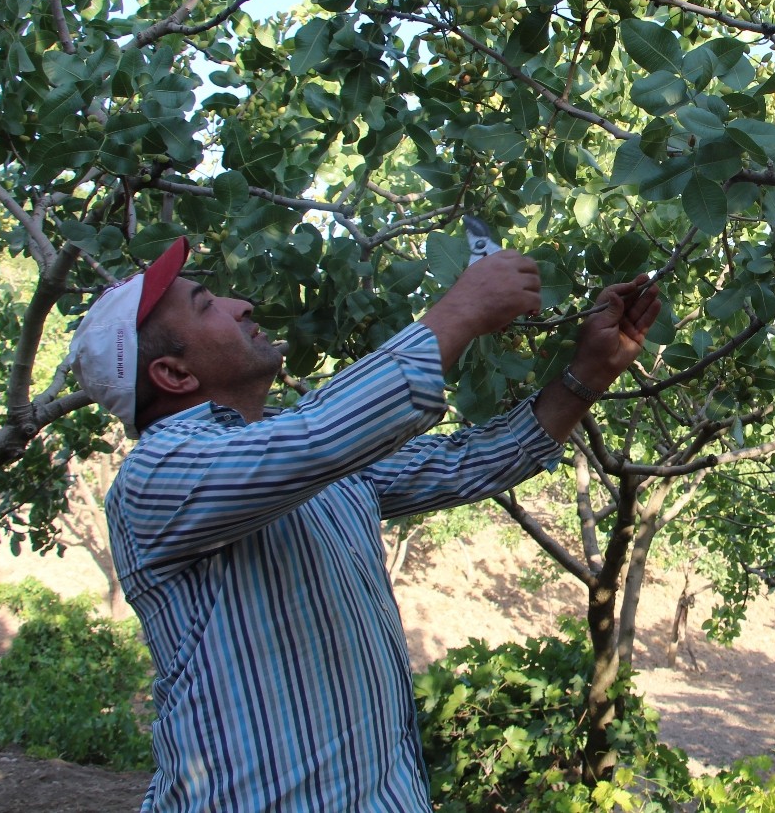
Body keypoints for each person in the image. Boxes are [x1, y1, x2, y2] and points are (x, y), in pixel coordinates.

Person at [67, 235, 660, 812]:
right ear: (173, 375)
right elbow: (319, 436)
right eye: (206, 305)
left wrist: (589, 373)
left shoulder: (300, 457)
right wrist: (463, 309)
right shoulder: (158, 476)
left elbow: (470, 462)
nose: (240, 304)